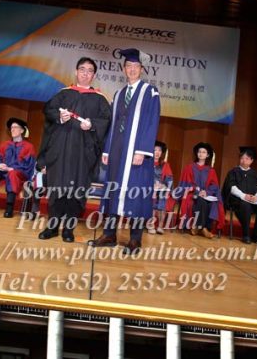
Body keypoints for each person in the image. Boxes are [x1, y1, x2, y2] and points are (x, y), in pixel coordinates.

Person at [89, 48, 161, 255]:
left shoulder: (150, 92)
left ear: (142, 69)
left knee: (135, 194)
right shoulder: (119, 94)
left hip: (137, 152)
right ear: (123, 69)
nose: (132, 69)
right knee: (113, 190)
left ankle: (135, 239)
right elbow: (112, 124)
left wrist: (142, 150)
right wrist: (107, 149)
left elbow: (152, 122)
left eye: (136, 66)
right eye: (128, 66)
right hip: (117, 150)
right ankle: (109, 235)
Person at [38, 57, 111, 242]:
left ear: (94, 75)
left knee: (76, 190)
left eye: (89, 71)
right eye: (82, 69)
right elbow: (48, 111)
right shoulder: (63, 94)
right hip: (60, 150)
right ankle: (52, 227)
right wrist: (59, 117)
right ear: (76, 72)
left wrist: (92, 125)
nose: (85, 74)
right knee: (56, 188)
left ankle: (68, 229)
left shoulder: (100, 99)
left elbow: (106, 121)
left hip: (83, 153)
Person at [0, 118, 35, 218]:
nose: (12, 129)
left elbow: (28, 165)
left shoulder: (28, 146)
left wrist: (11, 168)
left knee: (12, 174)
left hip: (19, 172)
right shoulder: (5, 144)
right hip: (3, 171)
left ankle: (9, 207)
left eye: (15, 127)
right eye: (11, 128)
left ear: (22, 130)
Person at [174, 142, 225, 238]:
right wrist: (197, 191)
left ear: (208, 155)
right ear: (196, 153)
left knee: (208, 202)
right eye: (199, 152)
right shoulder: (189, 168)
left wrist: (206, 192)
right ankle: (203, 228)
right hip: (191, 194)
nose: (201, 154)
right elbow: (185, 184)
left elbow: (214, 186)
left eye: (204, 152)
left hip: (206, 195)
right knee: (201, 200)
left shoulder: (211, 171)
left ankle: (198, 227)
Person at [222, 146, 257, 244]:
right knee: (245, 205)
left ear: (251, 161)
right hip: (237, 199)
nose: (243, 160)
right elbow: (231, 187)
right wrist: (243, 196)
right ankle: (246, 235)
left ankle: (256, 235)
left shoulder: (255, 174)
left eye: (247, 158)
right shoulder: (233, 172)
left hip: (253, 199)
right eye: (242, 158)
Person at [148, 140, 173, 235]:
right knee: (153, 198)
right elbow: (143, 177)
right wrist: (152, 184)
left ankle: (160, 226)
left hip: (161, 189)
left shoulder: (165, 165)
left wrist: (163, 185)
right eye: (155, 150)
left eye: (159, 150)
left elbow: (169, 179)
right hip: (147, 189)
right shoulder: (147, 163)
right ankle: (150, 224)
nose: (157, 152)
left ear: (162, 152)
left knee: (163, 198)